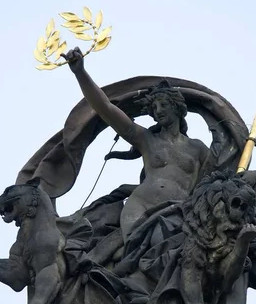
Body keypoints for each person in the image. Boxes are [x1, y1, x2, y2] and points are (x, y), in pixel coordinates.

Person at [62, 47, 210, 242]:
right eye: (154, 107)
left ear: (178, 108)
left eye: (164, 105)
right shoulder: (146, 139)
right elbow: (105, 108)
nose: (158, 111)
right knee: (137, 248)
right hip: (140, 206)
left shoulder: (197, 148)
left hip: (178, 210)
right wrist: (80, 72)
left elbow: (211, 181)